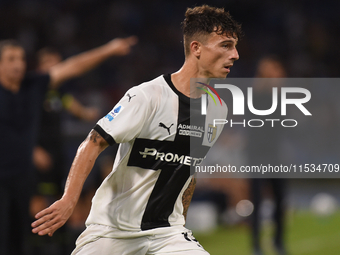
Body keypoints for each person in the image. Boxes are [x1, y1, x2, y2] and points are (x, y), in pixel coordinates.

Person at [32, 5, 241, 254]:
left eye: (235, 46)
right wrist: (68, 201)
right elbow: (93, 142)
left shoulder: (217, 109)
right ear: (196, 48)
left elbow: (188, 172)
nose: (235, 54)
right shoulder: (148, 96)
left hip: (167, 233)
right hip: (113, 230)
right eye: (226, 45)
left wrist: (181, 222)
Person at [0, 36, 137, 255]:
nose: (17, 64)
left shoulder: (33, 86)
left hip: (24, 178)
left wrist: (108, 49)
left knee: (20, 240)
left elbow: (73, 67)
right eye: (10, 59)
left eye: (20, 58)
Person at [247, 56, 287, 255]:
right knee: (257, 201)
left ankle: (279, 242)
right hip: (257, 156)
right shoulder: (256, 93)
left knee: (280, 200)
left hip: (276, 156)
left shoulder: (281, 97)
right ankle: (256, 245)